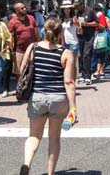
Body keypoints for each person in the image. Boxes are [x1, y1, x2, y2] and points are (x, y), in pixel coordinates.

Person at [19, 17, 77, 175]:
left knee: (34, 135)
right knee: (54, 138)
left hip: (37, 96)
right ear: (60, 33)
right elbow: (69, 82)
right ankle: (50, 173)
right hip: (58, 98)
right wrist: (73, 107)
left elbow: (22, 69)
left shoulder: (33, 47)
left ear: (44, 30)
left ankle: (26, 164)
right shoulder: (66, 53)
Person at [8, 1, 40, 88]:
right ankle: (20, 90)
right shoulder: (12, 22)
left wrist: (39, 45)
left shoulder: (31, 18)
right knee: (19, 72)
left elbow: (36, 32)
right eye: (22, 8)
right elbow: (10, 38)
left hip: (32, 49)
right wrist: (11, 51)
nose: (25, 9)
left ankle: (31, 88)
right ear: (17, 11)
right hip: (19, 51)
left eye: (25, 7)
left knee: (32, 69)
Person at [75, 1, 98, 83]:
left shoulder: (90, 11)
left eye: (78, 6)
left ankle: (88, 76)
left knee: (87, 54)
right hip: (81, 36)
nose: (77, 8)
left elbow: (96, 23)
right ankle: (83, 74)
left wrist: (87, 24)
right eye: (76, 6)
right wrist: (77, 24)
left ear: (82, 5)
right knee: (81, 55)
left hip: (89, 36)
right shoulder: (78, 12)